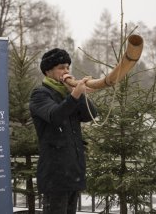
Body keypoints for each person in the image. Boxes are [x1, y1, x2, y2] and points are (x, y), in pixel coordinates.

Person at [29, 48, 97, 214]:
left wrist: (78, 95)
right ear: (48, 71)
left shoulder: (68, 93)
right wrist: (74, 94)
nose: (66, 71)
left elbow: (91, 115)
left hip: (73, 172)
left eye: (67, 67)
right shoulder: (40, 94)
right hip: (55, 175)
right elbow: (55, 116)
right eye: (61, 67)